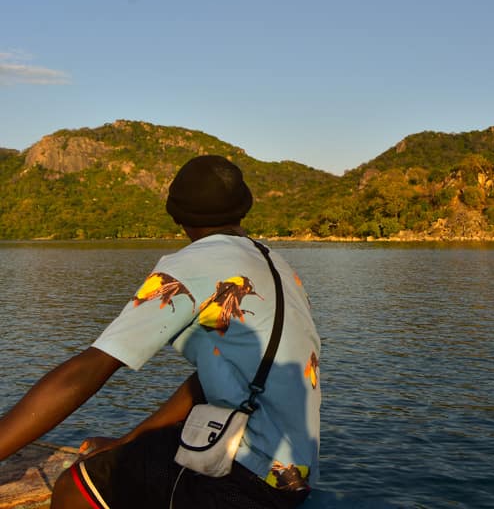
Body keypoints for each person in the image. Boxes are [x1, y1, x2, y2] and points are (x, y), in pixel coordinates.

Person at [0, 155, 321, 509]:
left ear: (176, 215)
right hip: (294, 477)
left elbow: (89, 369)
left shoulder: (191, 264)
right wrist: (130, 442)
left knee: (76, 486)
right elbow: (211, 380)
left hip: (246, 477)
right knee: (128, 460)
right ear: (244, 208)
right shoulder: (277, 265)